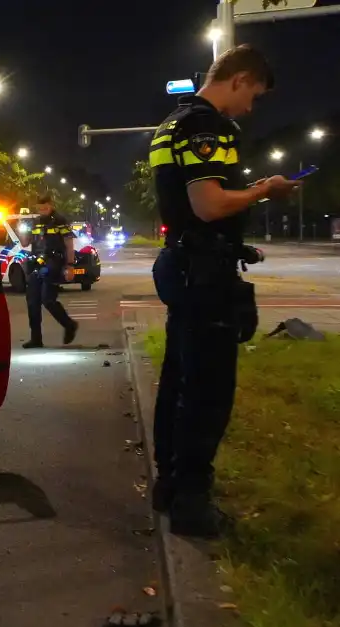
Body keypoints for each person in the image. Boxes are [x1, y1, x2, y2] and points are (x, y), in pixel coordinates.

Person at [148, 45, 299, 538]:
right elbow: (210, 205)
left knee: (178, 381)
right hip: (204, 270)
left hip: (185, 263)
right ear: (239, 79)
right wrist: (262, 190)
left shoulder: (173, 122)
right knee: (209, 391)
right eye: (253, 96)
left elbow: (193, 201)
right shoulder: (205, 125)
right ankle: (192, 501)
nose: (250, 109)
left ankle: (170, 484)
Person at [21, 194, 79, 349]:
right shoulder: (35, 222)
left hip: (54, 263)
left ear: (51, 205)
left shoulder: (60, 221)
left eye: (45, 207)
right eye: (40, 208)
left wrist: (70, 265)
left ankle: (69, 325)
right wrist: (22, 228)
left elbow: (69, 243)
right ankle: (36, 338)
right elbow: (25, 242)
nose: (43, 211)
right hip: (36, 264)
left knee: (48, 300)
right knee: (32, 302)